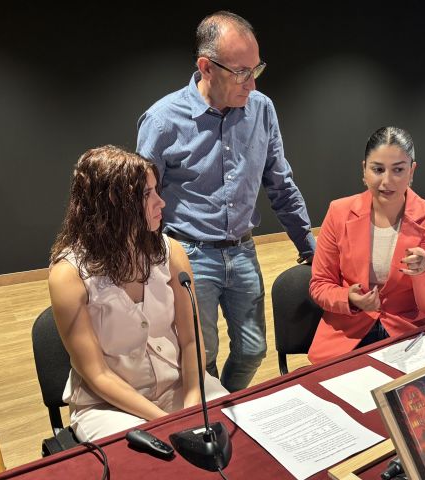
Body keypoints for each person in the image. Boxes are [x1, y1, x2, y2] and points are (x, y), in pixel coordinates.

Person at [137, 11, 315, 392]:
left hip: (243, 250)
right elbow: (141, 202)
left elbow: (281, 184)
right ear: (206, 68)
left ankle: (226, 404)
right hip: (189, 254)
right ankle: (213, 415)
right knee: (202, 356)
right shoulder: (162, 121)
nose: (252, 83)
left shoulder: (262, 110)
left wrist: (309, 247)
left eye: (257, 69)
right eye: (242, 72)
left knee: (253, 350)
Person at [48, 146, 227, 441]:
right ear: (112, 203)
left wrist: (193, 400)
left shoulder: (171, 252)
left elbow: (191, 340)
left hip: (180, 385)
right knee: (146, 462)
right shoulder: (68, 275)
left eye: (157, 190)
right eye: (147, 194)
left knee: (235, 438)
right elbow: (98, 375)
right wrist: (167, 422)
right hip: (109, 405)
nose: (161, 202)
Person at [308, 126, 425, 363]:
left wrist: (424, 272)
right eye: (378, 169)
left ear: (412, 171)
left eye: (398, 170)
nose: (387, 181)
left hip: (406, 335)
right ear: (364, 169)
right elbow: (320, 285)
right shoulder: (338, 212)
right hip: (347, 334)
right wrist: (349, 298)